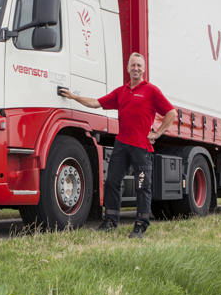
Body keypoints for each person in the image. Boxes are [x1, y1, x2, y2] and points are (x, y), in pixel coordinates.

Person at [60, 53, 177, 238]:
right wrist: (74, 97)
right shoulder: (121, 92)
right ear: (128, 68)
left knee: (142, 186)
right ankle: (110, 221)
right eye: (133, 65)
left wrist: (158, 133)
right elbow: (96, 103)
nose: (136, 68)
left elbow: (171, 113)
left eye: (139, 65)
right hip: (122, 144)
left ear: (144, 69)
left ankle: (140, 225)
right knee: (112, 182)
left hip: (141, 146)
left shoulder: (151, 91)